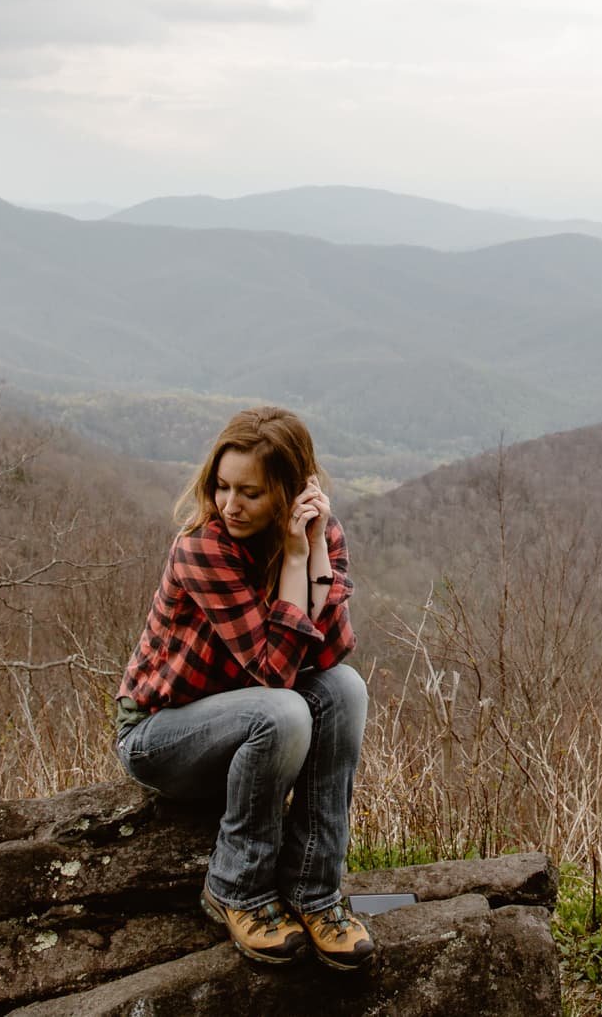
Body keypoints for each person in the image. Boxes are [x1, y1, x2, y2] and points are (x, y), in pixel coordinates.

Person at [112, 405, 372, 970]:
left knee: (346, 690)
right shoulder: (203, 547)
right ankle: (237, 889)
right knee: (281, 712)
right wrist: (296, 563)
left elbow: (328, 653)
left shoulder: (321, 535)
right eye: (223, 487)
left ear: (289, 490)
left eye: (250, 493)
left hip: (249, 726)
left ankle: (315, 891)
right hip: (161, 736)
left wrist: (313, 553)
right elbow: (276, 676)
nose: (230, 504)